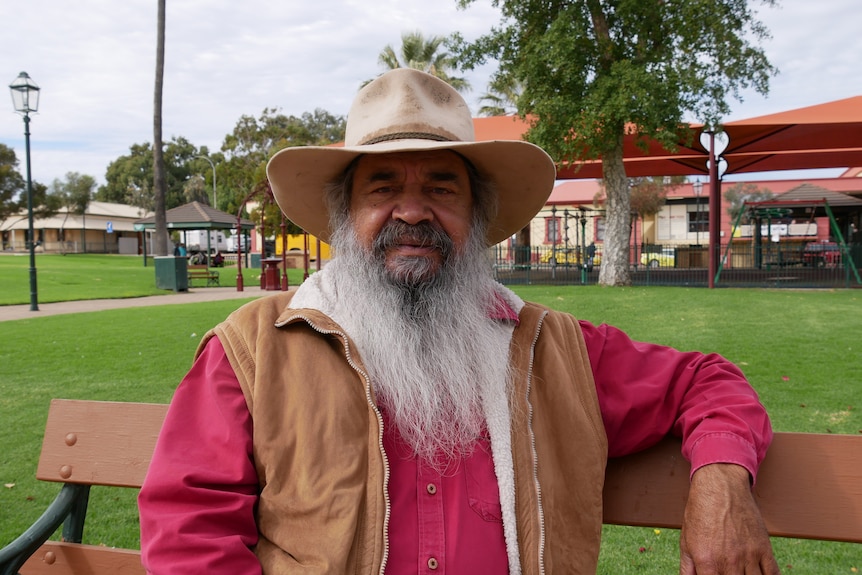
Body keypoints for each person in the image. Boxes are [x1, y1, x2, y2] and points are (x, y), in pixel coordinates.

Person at [139, 69, 779, 575]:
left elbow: (708, 381)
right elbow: (189, 529)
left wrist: (721, 483)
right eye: (382, 186)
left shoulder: (552, 350)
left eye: (442, 188)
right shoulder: (252, 351)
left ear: (476, 216)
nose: (411, 212)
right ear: (344, 212)